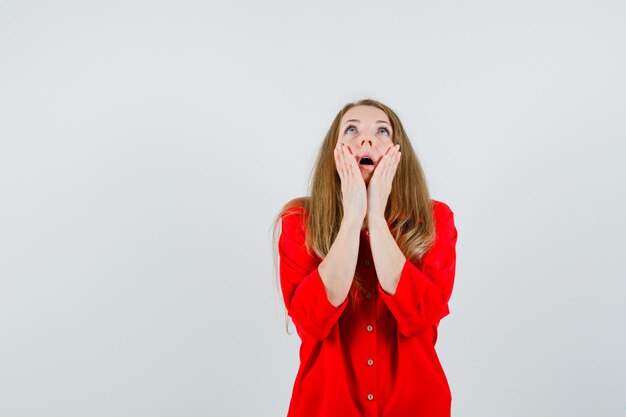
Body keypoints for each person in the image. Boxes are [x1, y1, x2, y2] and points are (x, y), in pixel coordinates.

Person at [271, 98, 458, 417]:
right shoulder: (298, 221)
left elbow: (420, 316)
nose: (366, 139)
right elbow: (311, 321)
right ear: (334, 150)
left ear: (400, 154)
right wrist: (353, 216)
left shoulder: (436, 218)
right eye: (352, 129)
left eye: (382, 131)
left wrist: (376, 218)